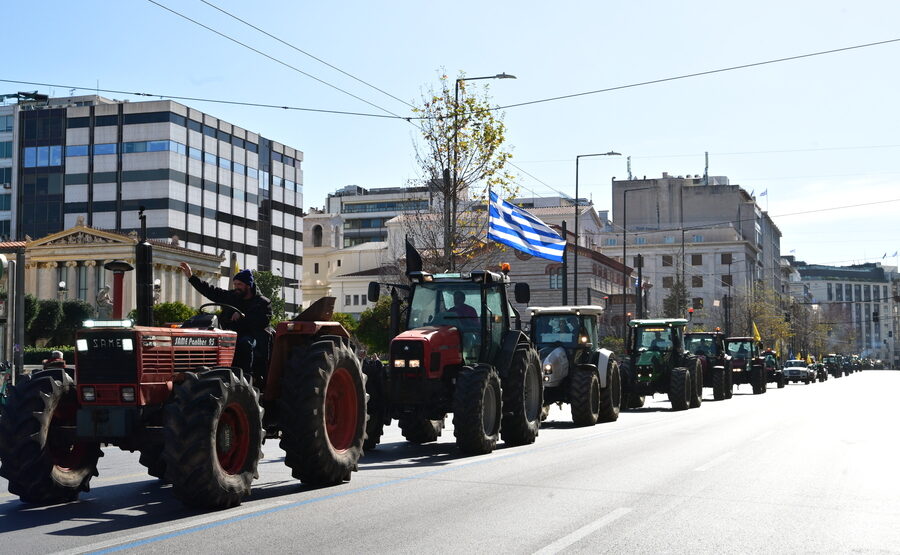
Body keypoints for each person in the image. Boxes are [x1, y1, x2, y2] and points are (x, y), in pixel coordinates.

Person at [179, 262, 272, 374]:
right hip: (229, 334)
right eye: (235, 284)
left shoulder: (262, 302)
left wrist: (243, 316)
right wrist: (191, 277)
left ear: (248, 285)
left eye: (239, 285)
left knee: (245, 343)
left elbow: (262, 321)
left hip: (251, 335)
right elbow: (210, 290)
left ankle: (247, 376)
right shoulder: (231, 296)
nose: (236, 287)